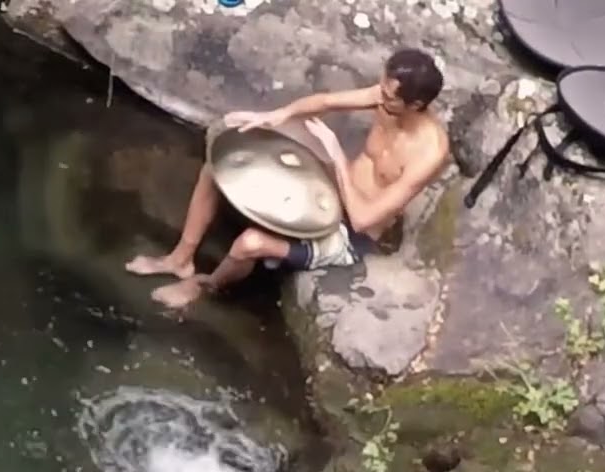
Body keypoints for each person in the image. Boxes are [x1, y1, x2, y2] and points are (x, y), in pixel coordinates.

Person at [125, 47, 450, 310]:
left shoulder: (429, 153)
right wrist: (273, 116)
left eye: (388, 96)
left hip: (351, 234)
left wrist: (336, 155)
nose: (378, 98)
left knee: (249, 244)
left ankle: (207, 286)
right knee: (217, 165)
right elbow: (325, 102)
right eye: (380, 88)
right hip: (332, 192)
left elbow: (365, 220)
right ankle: (180, 258)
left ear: (416, 105)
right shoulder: (388, 100)